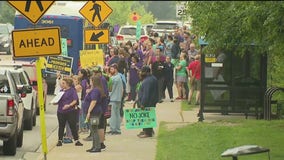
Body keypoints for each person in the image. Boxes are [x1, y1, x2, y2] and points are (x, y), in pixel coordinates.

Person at [54, 78, 83, 147]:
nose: (62, 84)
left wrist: (69, 105)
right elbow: (58, 100)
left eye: (63, 83)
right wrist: (55, 102)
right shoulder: (61, 91)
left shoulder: (72, 91)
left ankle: (76, 140)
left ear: (68, 84)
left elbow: (75, 100)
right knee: (61, 126)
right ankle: (60, 140)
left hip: (70, 111)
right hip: (61, 111)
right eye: (62, 83)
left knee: (72, 125)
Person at [85, 75, 105, 153]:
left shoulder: (96, 90)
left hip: (94, 112)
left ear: (93, 81)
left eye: (90, 80)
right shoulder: (95, 89)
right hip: (95, 112)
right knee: (93, 130)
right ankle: (94, 146)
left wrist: (89, 112)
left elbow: (94, 101)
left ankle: (97, 147)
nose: (89, 82)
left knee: (94, 129)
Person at [137, 66, 159, 138]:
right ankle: (147, 130)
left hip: (147, 102)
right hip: (152, 100)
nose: (140, 73)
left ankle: (148, 132)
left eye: (142, 71)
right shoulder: (153, 78)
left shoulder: (147, 81)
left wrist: (143, 103)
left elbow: (146, 93)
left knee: (146, 116)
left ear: (146, 72)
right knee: (149, 115)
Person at [108, 63, 124, 135]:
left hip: (113, 98)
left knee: (113, 115)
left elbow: (109, 89)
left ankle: (113, 129)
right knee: (117, 114)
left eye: (111, 69)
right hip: (118, 98)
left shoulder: (113, 78)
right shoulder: (119, 77)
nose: (110, 70)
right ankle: (117, 129)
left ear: (115, 69)